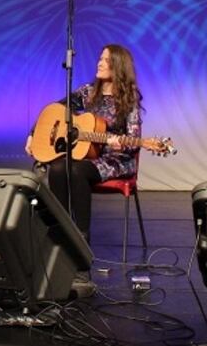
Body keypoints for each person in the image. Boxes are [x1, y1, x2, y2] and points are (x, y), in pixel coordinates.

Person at [25, 44, 142, 296]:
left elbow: (133, 141)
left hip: (115, 160)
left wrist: (111, 139)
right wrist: (34, 133)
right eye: (100, 58)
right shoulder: (88, 92)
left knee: (75, 171)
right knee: (57, 167)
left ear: (119, 66)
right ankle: (61, 238)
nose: (99, 62)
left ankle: (81, 256)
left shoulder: (129, 98)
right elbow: (53, 111)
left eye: (106, 60)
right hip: (83, 158)